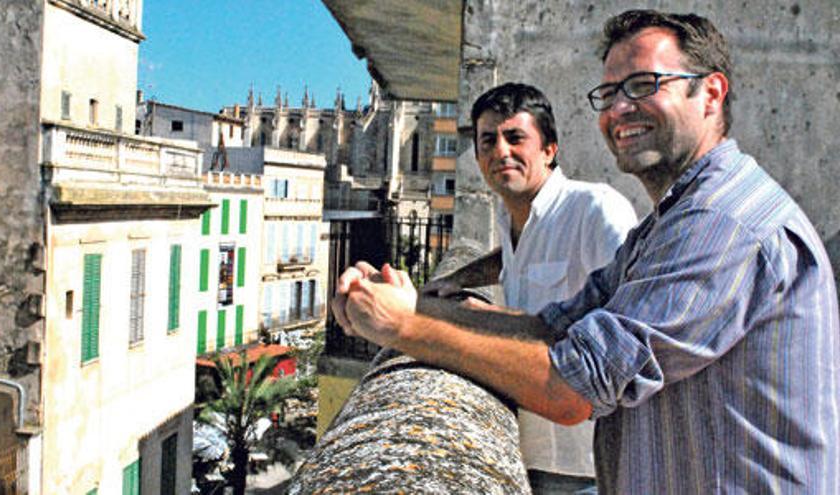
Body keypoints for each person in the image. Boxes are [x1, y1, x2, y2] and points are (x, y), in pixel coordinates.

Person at [332, 9, 840, 493]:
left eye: (644, 85)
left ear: (710, 93)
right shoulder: (672, 221)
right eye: (610, 93)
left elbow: (576, 384)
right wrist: (415, 305)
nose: (620, 109)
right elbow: (559, 323)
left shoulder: (722, 221)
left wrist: (403, 328)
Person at [421, 82, 637, 490]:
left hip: (589, 464)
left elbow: (630, 316)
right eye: (488, 141)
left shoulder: (594, 209)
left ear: (549, 149)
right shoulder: (512, 220)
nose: (500, 151)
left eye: (515, 137)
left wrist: (483, 320)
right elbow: (517, 258)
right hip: (531, 453)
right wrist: (457, 280)